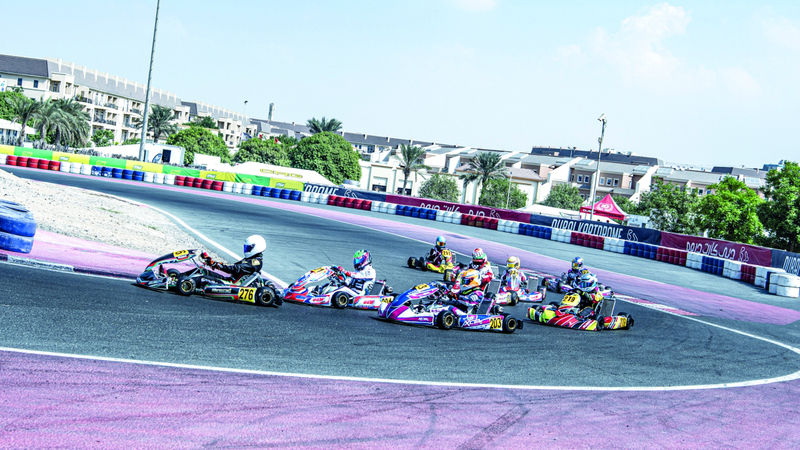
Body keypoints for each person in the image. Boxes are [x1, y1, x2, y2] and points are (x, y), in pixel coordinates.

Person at [201, 235, 266, 284]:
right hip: (230, 280)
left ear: (256, 248)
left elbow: (234, 268)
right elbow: (232, 266)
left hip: (232, 285)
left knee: (202, 279)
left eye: (248, 248)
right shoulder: (249, 259)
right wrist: (213, 263)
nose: (246, 250)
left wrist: (216, 264)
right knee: (202, 271)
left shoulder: (255, 262)